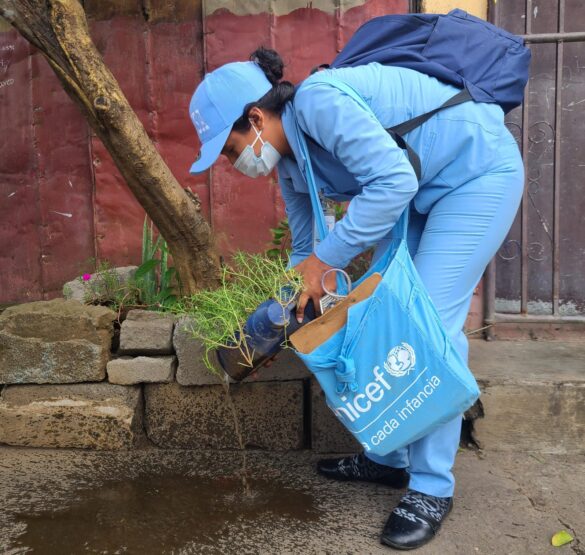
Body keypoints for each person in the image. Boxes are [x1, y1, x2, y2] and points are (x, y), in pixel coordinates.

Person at [187, 47, 524, 550]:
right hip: (418, 193)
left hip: (475, 176)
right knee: (377, 311)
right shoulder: (290, 164)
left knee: (425, 323)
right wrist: (278, 322)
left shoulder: (320, 103)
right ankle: (388, 459)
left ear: (255, 117)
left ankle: (431, 488)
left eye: (231, 150)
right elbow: (306, 254)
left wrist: (326, 262)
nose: (234, 164)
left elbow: (391, 182)